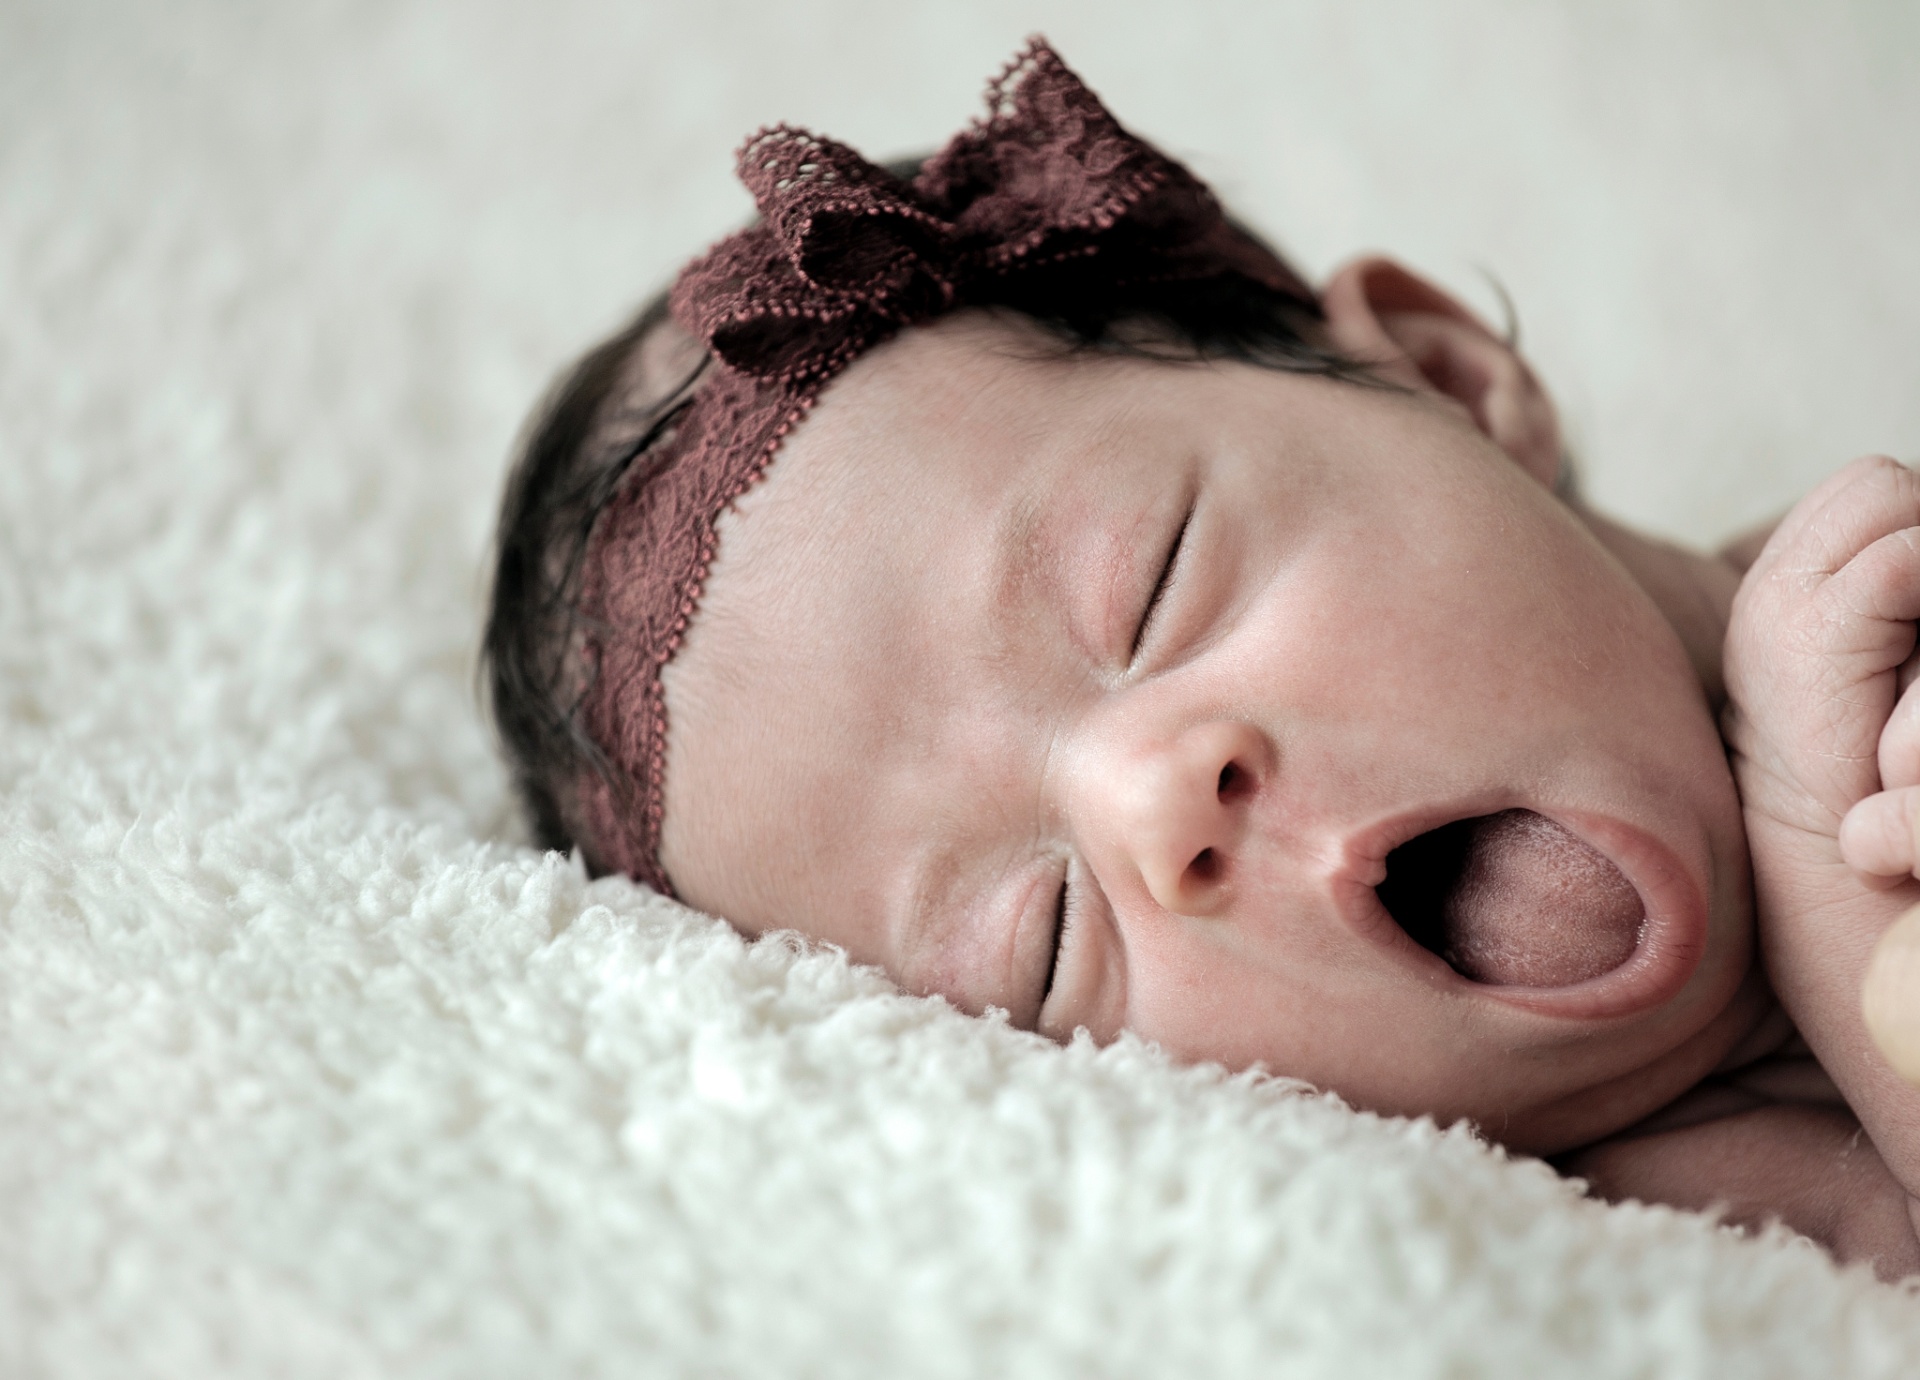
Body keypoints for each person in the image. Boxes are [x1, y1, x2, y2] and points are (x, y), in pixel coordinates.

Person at [484, 40, 1920, 1276]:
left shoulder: (1874, 592)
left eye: (1154, 590)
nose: (1151, 805)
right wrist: (1815, 862)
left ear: (1444, 374)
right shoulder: (1606, 1239)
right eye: (1042, 945)